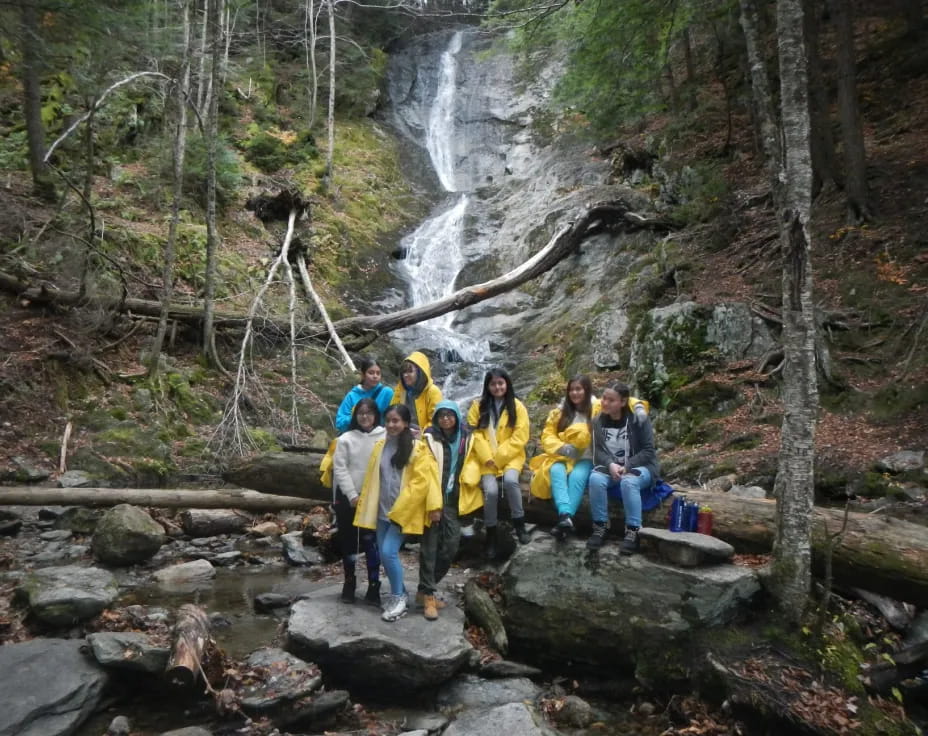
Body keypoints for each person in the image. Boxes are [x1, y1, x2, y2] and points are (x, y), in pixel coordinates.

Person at [414, 400, 483, 620]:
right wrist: (433, 503)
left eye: (449, 415)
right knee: (429, 549)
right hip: (431, 501)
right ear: (436, 418)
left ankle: (425, 590)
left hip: (453, 502)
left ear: (456, 416)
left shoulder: (467, 438)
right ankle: (429, 597)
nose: (445, 419)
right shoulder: (429, 438)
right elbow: (424, 470)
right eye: (441, 415)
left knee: (451, 546)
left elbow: (480, 458)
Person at [353, 404, 420, 622]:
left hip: (402, 512)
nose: (391, 425)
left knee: (390, 552)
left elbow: (421, 482)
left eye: (396, 421)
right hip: (382, 510)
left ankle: (399, 598)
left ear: (406, 423)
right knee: (383, 554)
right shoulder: (380, 446)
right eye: (388, 420)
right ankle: (400, 590)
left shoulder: (417, 448)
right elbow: (374, 478)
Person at [466, 368, 532, 559]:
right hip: (485, 459)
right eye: (493, 384)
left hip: (511, 456)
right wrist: (487, 457)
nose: (497, 387)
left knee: (512, 482)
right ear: (487, 386)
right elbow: (475, 434)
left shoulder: (517, 406)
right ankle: (491, 534)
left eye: (500, 383)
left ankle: (520, 524)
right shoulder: (477, 406)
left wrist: (500, 457)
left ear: (507, 384)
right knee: (491, 491)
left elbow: (520, 436)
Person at [588, 382, 659, 554]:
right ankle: (601, 527)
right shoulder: (597, 420)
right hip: (612, 466)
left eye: (611, 400)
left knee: (628, 482)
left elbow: (649, 451)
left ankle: (633, 531)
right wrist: (610, 464)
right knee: (595, 478)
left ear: (623, 402)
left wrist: (627, 466)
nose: (604, 402)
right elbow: (597, 451)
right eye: (604, 398)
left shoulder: (638, 420)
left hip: (642, 467)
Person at [529, 374, 600, 540]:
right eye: (571, 390)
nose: (574, 393)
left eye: (578, 389)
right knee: (555, 470)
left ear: (587, 390)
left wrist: (639, 406)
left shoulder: (596, 408)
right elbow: (547, 435)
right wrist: (562, 448)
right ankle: (565, 518)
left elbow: (623, 400)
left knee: (577, 477)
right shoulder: (560, 412)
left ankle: (564, 518)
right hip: (563, 457)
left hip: (586, 458)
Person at [331, 398, 385, 604]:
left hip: (374, 498)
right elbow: (340, 469)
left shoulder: (385, 436)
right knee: (348, 542)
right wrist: (352, 494)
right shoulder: (345, 439)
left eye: (369, 412)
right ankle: (349, 583)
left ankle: (374, 585)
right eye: (361, 413)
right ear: (355, 415)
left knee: (372, 543)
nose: (365, 416)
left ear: (375, 415)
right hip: (348, 498)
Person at [334, 357, 395, 434]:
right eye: (371, 373)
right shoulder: (352, 395)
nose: (375, 376)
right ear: (363, 375)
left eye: (378, 373)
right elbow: (340, 423)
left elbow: (395, 416)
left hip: (379, 437)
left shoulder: (387, 393)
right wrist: (358, 417)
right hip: (356, 437)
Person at [390, 351, 443, 435]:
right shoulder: (401, 390)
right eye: (404, 372)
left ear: (419, 372)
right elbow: (392, 413)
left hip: (426, 434)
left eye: (410, 371)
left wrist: (421, 432)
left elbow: (436, 421)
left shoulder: (433, 391)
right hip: (403, 432)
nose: (406, 375)